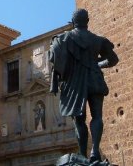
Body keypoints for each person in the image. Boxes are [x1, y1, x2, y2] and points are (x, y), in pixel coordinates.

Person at [49, 9, 119, 162]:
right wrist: (97, 63)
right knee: (97, 116)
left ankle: (82, 154)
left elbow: (55, 58)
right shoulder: (99, 40)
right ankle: (95, 150)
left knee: (79, 120)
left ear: (73, 22)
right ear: (87, 21)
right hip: (95, 79)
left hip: (75, 83)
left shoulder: (64, 38)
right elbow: (113, 60)